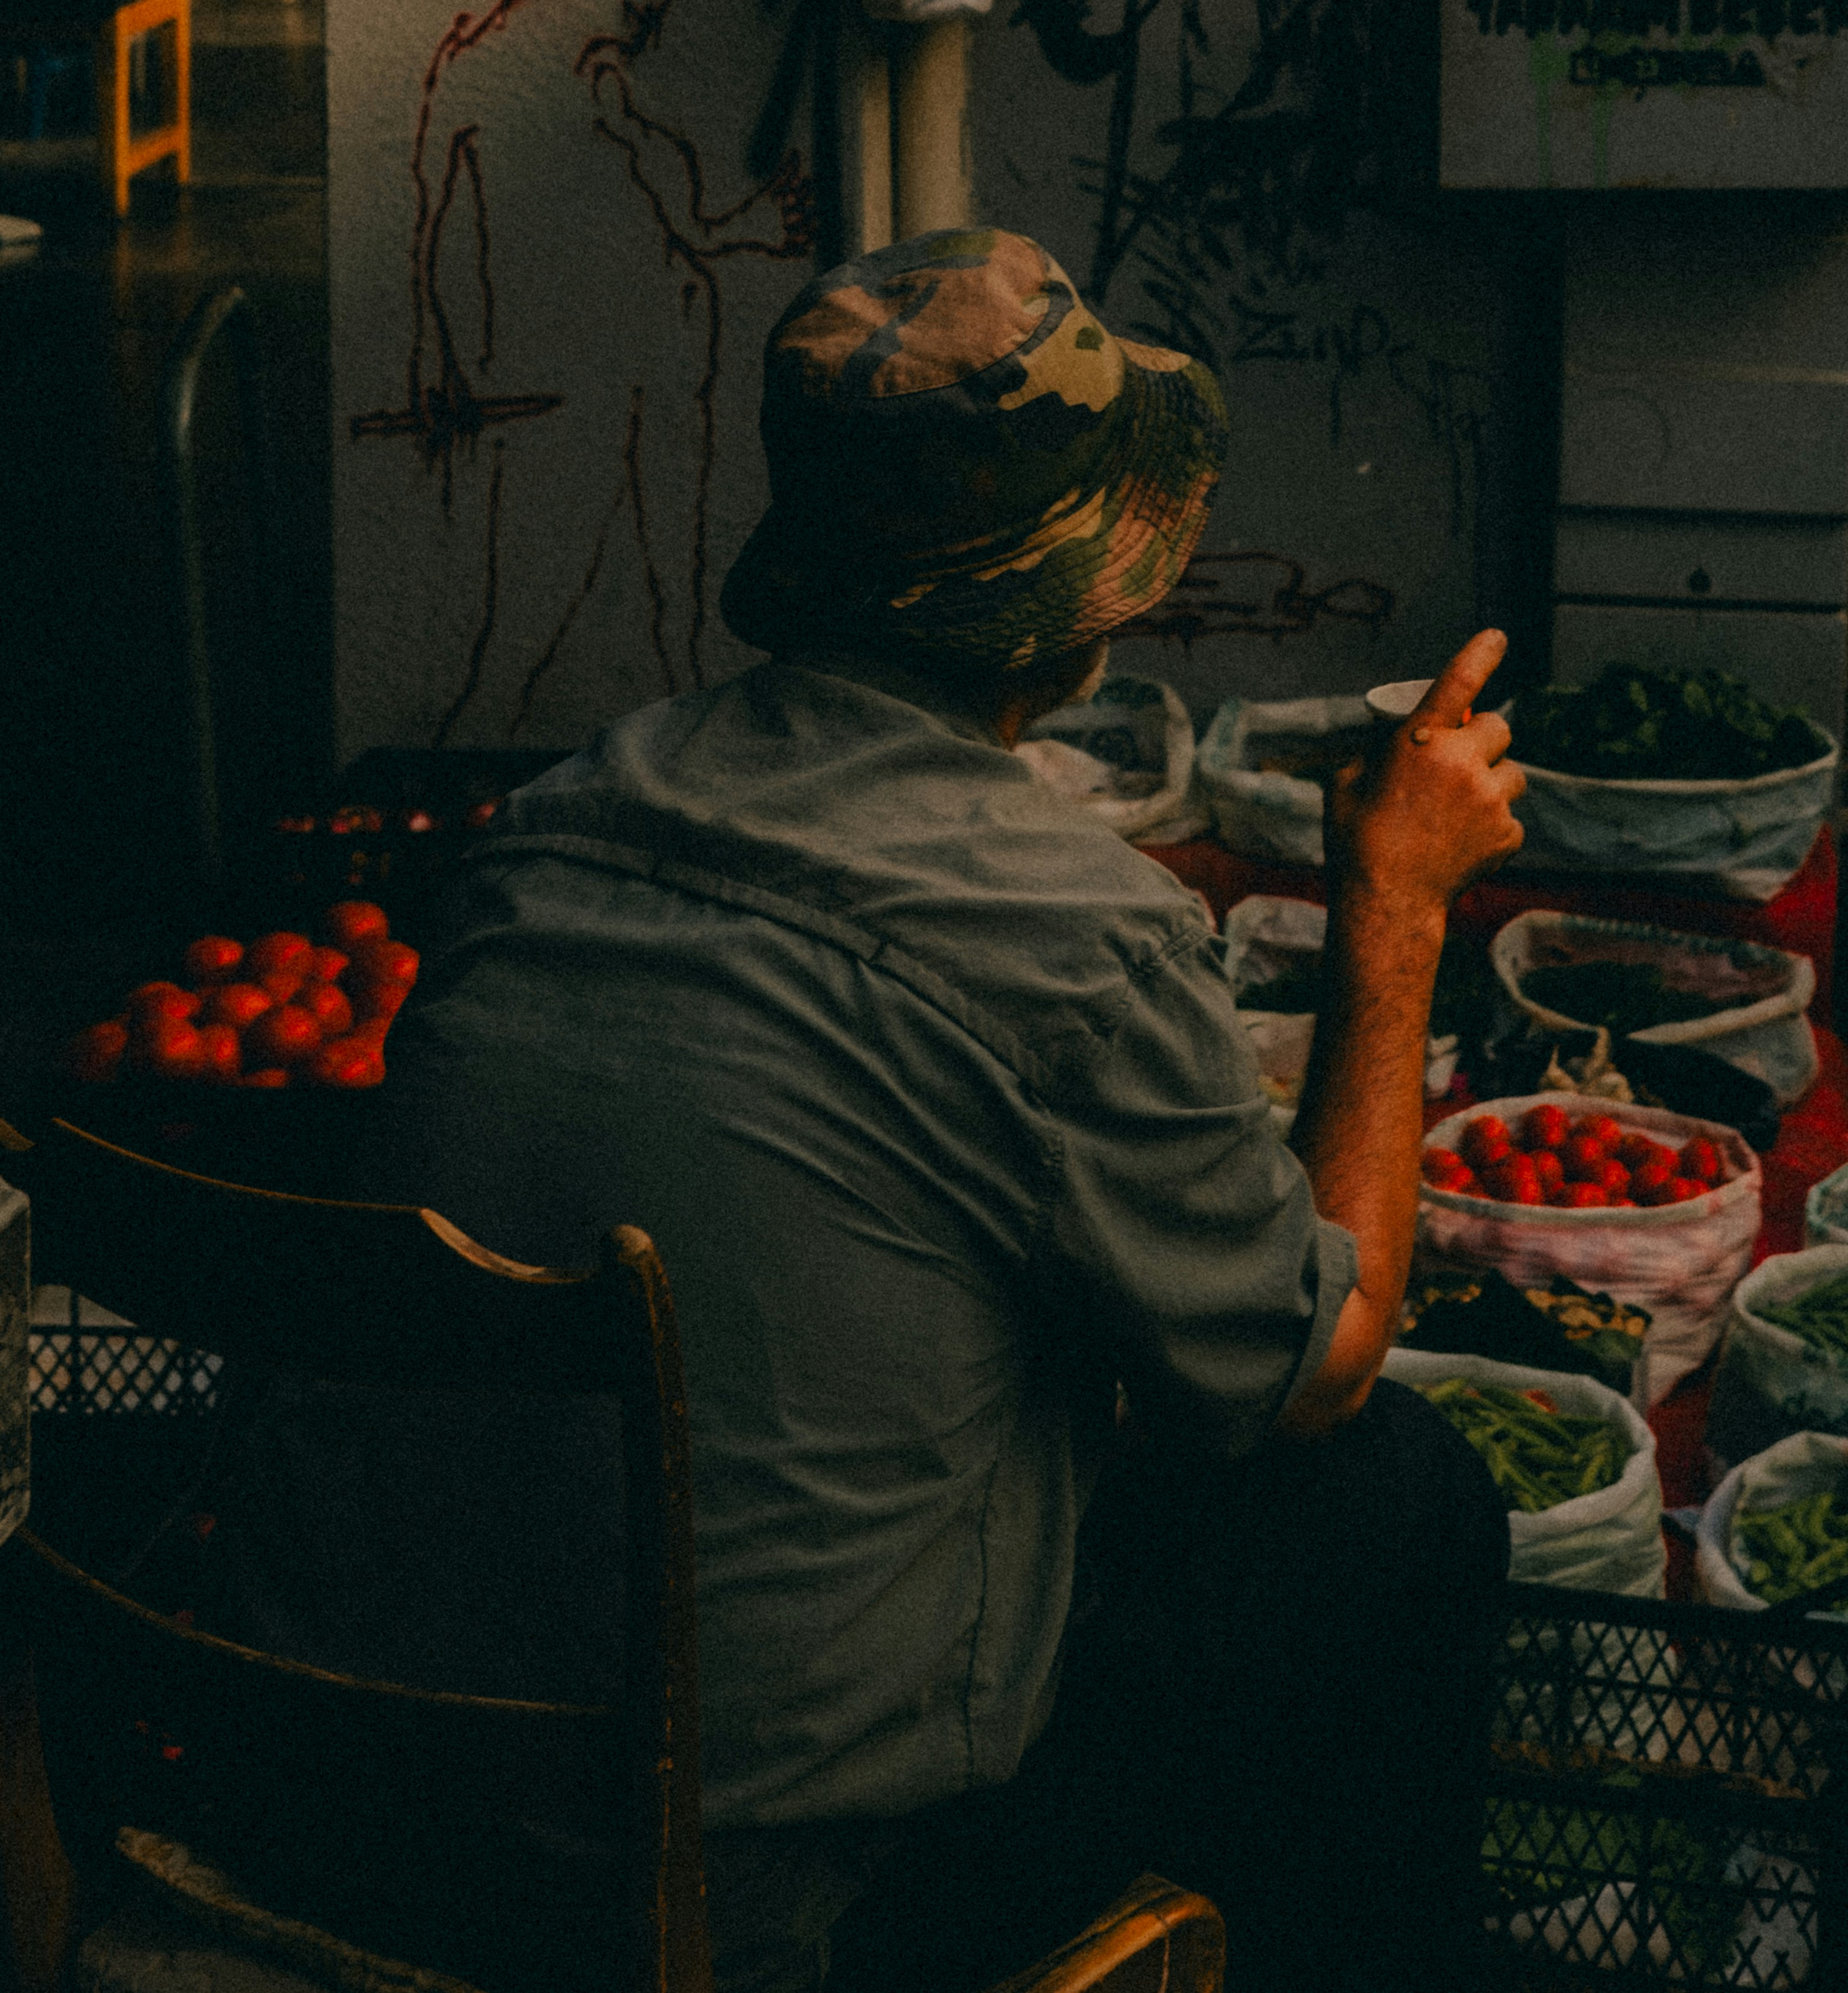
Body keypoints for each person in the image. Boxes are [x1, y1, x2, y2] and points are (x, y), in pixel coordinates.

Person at [204, 229, 1523, 1993]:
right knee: (1391, 1497)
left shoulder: (565, 815)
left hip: (370, 1781)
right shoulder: (1069, 931)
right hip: (742, 1895)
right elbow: (1325, 1351)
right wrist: (1398, 908)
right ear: (1073, 599)